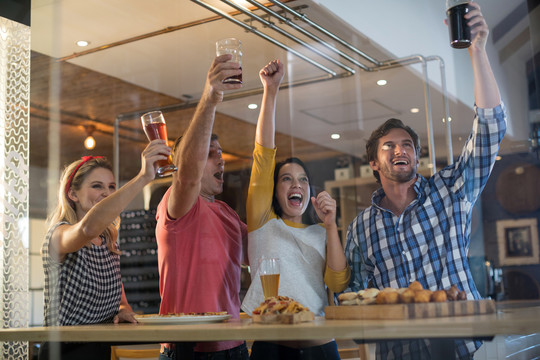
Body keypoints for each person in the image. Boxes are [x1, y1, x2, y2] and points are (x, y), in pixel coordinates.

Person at [344, 2, 506, 359]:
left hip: (466, 346)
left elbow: (490, 131)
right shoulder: (361, 229)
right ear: (374, 162)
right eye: (389, 146)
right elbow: (355, 297)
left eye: (407, 146)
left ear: (416, 157)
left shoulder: (451, 190)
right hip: (400, 353)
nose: (400, 150)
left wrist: (477, 50)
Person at [241, 59, 350, 360]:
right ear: (274, 190)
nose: (296, 185)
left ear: (309, 191)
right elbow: (263, 155)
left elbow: (338, 283)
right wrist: (271, 91)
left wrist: (330, 226)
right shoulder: (263, 222)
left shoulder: (320, 231)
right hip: (272, 349)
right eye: (286, 179)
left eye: (302, 180)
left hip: (322, 348)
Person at [40, 139, 171, 360]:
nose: (106, 193)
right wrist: (143, 178)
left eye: (111, 187)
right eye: (96, 186)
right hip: (63, 353)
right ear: (73, 194)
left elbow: (120, 300)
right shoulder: (59, 234)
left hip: (99, 350)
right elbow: (87, 229)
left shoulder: (110, 243)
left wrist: (123, 310)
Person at [155, 54, 249, 360]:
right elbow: (188, 174)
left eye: (220, 153)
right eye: (210, 153)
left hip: (235, 345)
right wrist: (210, 97)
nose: (220, 159)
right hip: (187, 349)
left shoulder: (227, 213)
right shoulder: (178, 203)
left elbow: (265, 252)